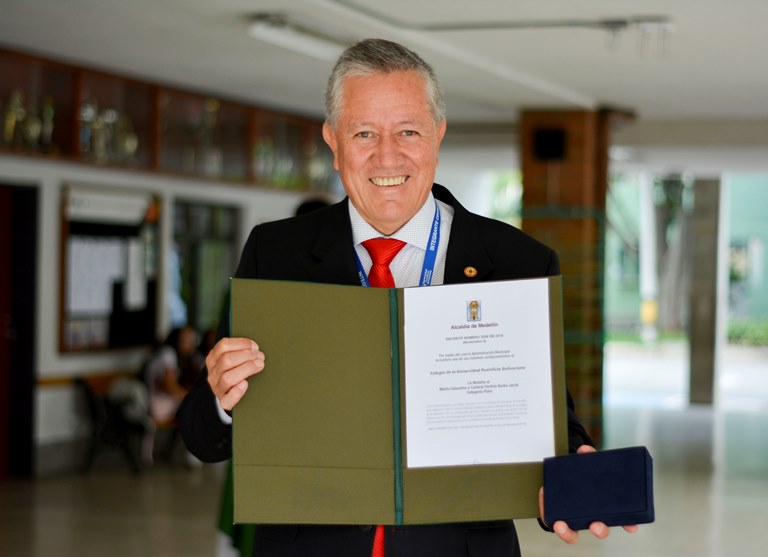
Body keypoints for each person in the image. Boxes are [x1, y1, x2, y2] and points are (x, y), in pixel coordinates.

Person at [180, 38, 636, 556]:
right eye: (364, 132)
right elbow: (201, 436)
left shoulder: (517, 262)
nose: (387, 156)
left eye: (409, 131)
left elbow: (548, 417)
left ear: (438, 136)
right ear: (333, 141)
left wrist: (571, 470)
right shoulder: (275, 252)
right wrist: (220, 399)